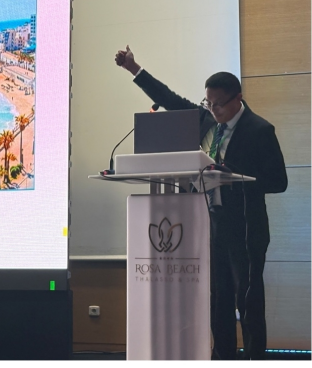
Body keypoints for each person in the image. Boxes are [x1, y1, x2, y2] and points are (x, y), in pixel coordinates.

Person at [115, 45, 288, 360]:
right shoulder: (206, 120)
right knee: (217, 298)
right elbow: (168, 98)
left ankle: (254, 359)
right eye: (209, 102)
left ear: (237, 99)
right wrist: (133, 69)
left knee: (247, 299)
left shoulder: (259, 130)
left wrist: (236, 177)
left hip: (245, 228)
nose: (213, 109)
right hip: (211, 224)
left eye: (218, 104)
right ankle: (222, 358)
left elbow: (279, 182)